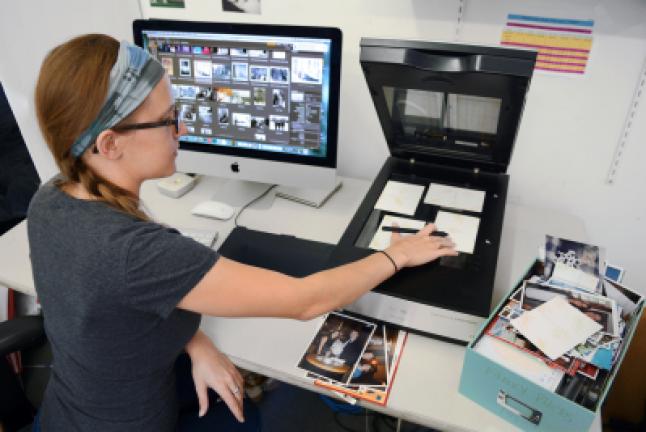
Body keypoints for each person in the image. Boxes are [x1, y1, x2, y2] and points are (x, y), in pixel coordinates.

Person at [28, 34, 457, 432]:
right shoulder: (138, 253)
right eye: (167, 120)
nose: (184, 130)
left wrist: (194, 341)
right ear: (109, 144)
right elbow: (306, 301)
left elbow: (118, 309)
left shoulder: (51, 198)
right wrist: (396, 255)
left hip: (67, 411)